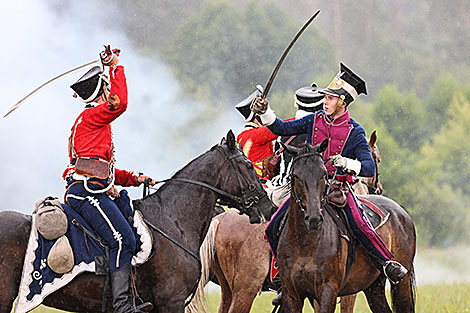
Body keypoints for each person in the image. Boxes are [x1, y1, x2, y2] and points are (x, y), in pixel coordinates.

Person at [252, 63, 408, 305]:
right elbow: (281, 127)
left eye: (330, 98)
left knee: (360, 224)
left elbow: (368, 167)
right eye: (325, 97)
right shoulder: (313, 120)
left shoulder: (355, 132)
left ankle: (387, 263)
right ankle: (284, 279)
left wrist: (347, 162)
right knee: (273, 227)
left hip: (338, 191)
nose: (324, 101)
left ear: (342, 103)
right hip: (310, 191)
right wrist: (265, 112)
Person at [63, 46, 154, 313]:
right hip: (86, 192)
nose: (109, 95)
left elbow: (103, 169)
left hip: (95, 188)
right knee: (123, 240)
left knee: (128, 234)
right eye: (107, 90)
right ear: (100, 92)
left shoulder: (93, 122)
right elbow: (121, 102)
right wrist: (116, 66)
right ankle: (123, 307)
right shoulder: (92, 117)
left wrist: (134, 179)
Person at [235, 85, 278, 182]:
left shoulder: (241, 136)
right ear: (259, 117)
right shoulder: (259, 134)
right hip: (262, 184)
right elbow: (283, 127)